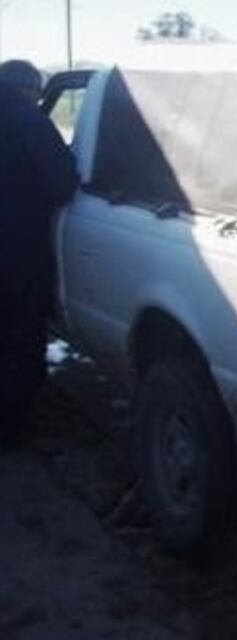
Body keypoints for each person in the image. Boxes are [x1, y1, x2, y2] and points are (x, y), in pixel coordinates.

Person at [0, 60, 79, 446]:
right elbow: (62, 183)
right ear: (31, 90)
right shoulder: (30, 121)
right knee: (21, 335)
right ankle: (9, 429)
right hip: (17, 248)